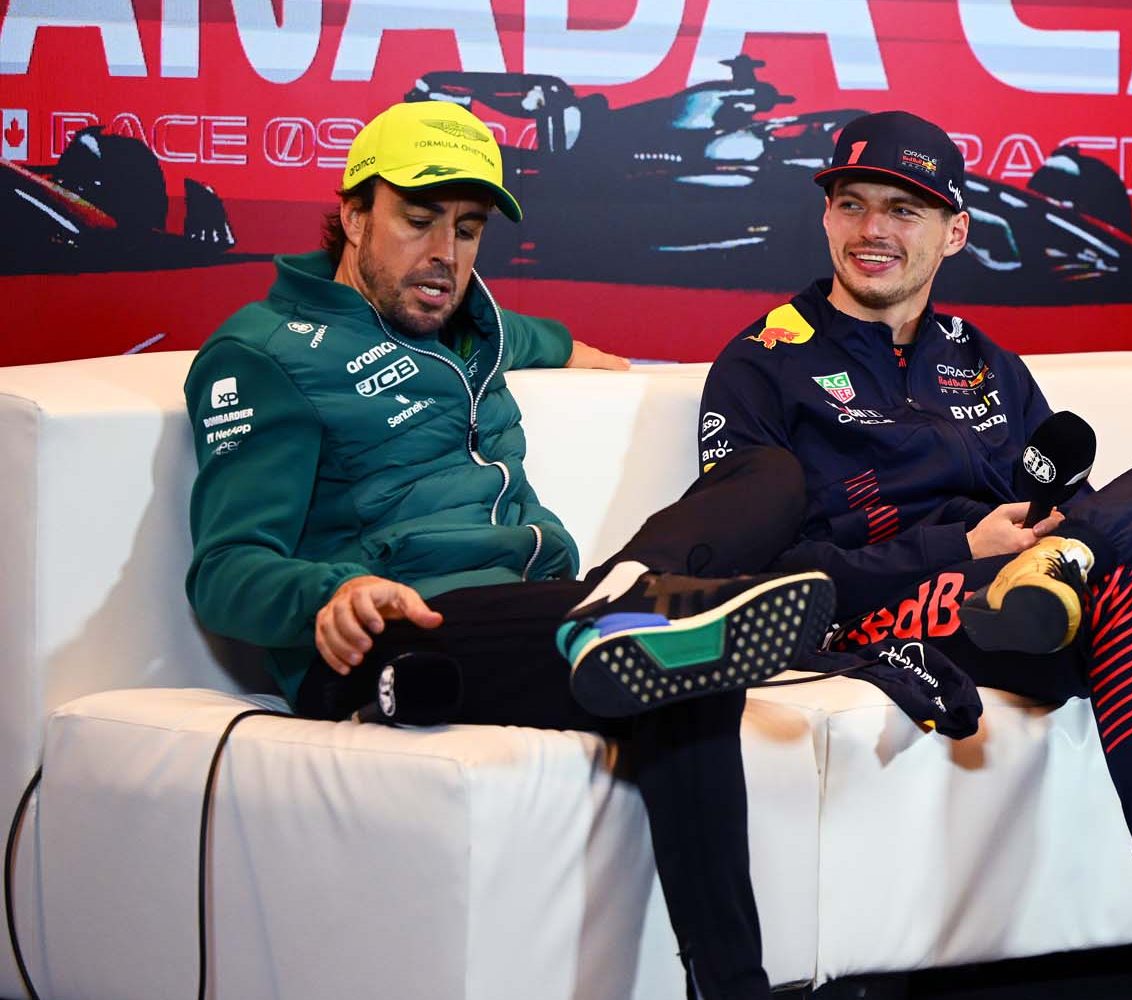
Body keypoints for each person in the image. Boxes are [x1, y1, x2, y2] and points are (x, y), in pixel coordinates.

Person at [182, 100, 834, 1000]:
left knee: (767, 475)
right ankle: (737, 983)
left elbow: (545, 340)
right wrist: (332, 592)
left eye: (470, 229)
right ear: (354, 210)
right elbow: (223, 571)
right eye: (419, 221)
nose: (445, 254)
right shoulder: (263, 356)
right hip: (402, 627)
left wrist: (607, 370)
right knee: (678, 665)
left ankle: (642, 600)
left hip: (542, 608)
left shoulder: (470, 324)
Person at [698, 110, 1132, 1000]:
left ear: (955, 233)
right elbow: (761, 577)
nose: (872, 230)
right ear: (825, 216)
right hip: (909, 607)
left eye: (904, 211)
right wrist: (962, 545)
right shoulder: (761, 364)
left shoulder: (986, 361)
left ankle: (1080, 561)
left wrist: (1067, 534)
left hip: (1043, 578)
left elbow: (1052, 493)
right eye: (853, 204)